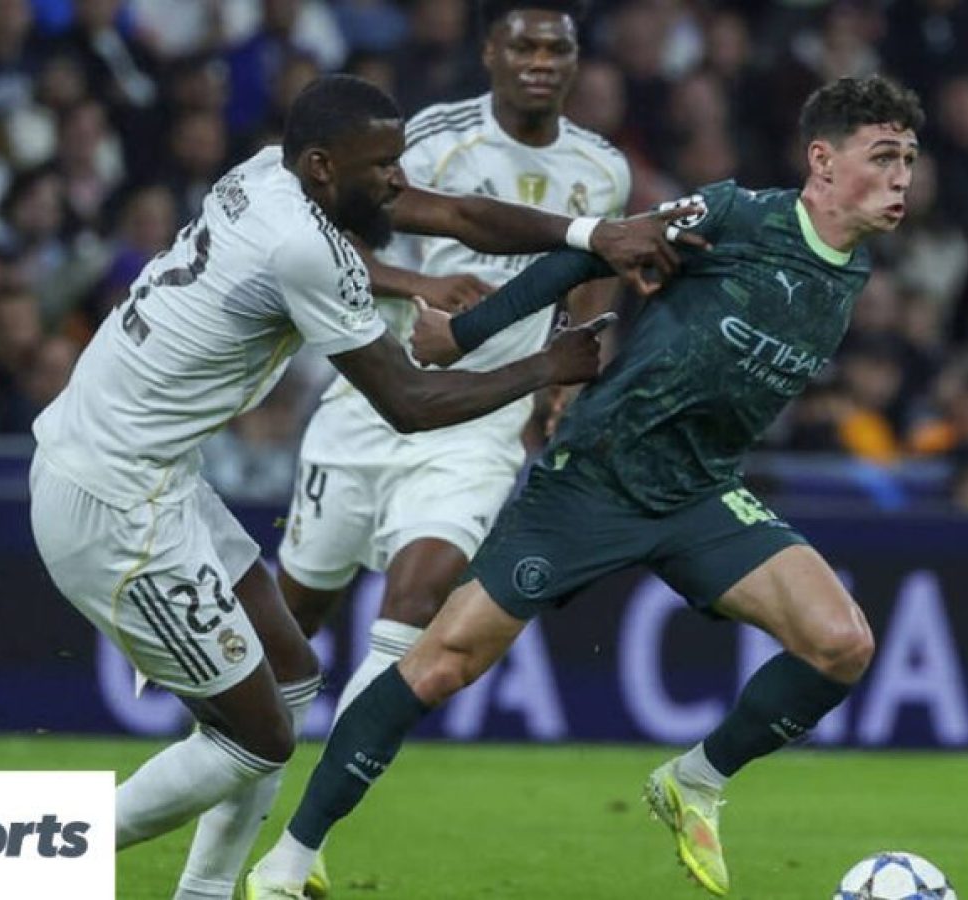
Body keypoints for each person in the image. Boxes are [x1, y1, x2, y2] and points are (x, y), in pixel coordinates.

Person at [247, 74, 923, 899]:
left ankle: (695, 780)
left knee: (842, 643)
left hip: (700, 492)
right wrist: (466, 333)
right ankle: (292, 857)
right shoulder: (737, 214)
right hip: (596, 475)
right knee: (441, 663)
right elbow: (593, 250)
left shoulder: (854, 267)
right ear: (822, 160)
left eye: (908, 161)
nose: (901, 178)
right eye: (883, 157)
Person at [28, 73, 690, 900]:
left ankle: (202, 894)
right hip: (114, 499)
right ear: (321, 165)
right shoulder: (301, 246)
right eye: (380, 165)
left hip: (145, 470)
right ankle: (7, 858)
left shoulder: (262, 174)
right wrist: (544, 368)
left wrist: (593, 233)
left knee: (292, 678)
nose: (395, 179)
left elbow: (456, 216)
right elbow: (410, 403)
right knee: (256, 739)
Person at [278, 1, 628, 883]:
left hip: (479, 426)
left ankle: (306, 835)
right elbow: (325, 244)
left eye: (557, 47)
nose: (541, 60)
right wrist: (418, 285)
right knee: (294, 625)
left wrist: (564, 379)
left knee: (417, 599)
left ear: (575, 60)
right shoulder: (427, 139)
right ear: (489, 53)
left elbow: (589, 281)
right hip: (369, 405)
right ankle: (223, 772)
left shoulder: (603, 169)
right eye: (524, 44)